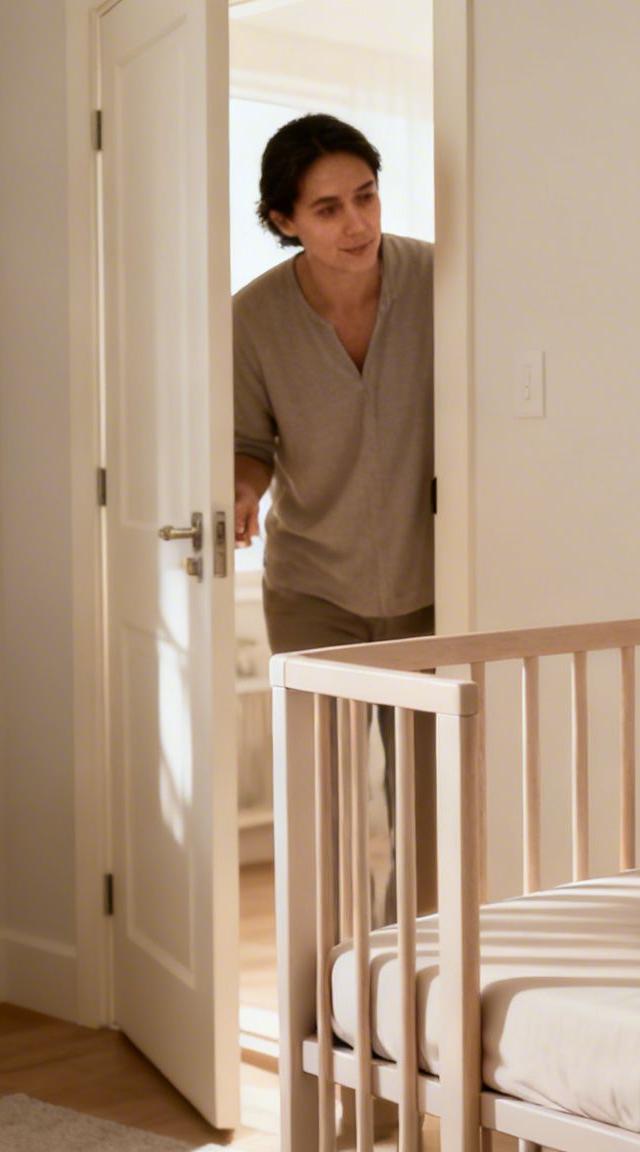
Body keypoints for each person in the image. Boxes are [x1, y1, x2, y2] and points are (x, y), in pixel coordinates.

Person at [234, 113, 435, 913]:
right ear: (285, 220)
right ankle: (327, 980)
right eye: (327, 209)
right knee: (326, 803)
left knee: (430, 801)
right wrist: (243, 488)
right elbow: (250, 439)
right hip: (314, 587)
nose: (358, 224)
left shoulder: (439, 278)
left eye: (367, 196)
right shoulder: (253, 318)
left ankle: (409, 974)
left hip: (432, 585)